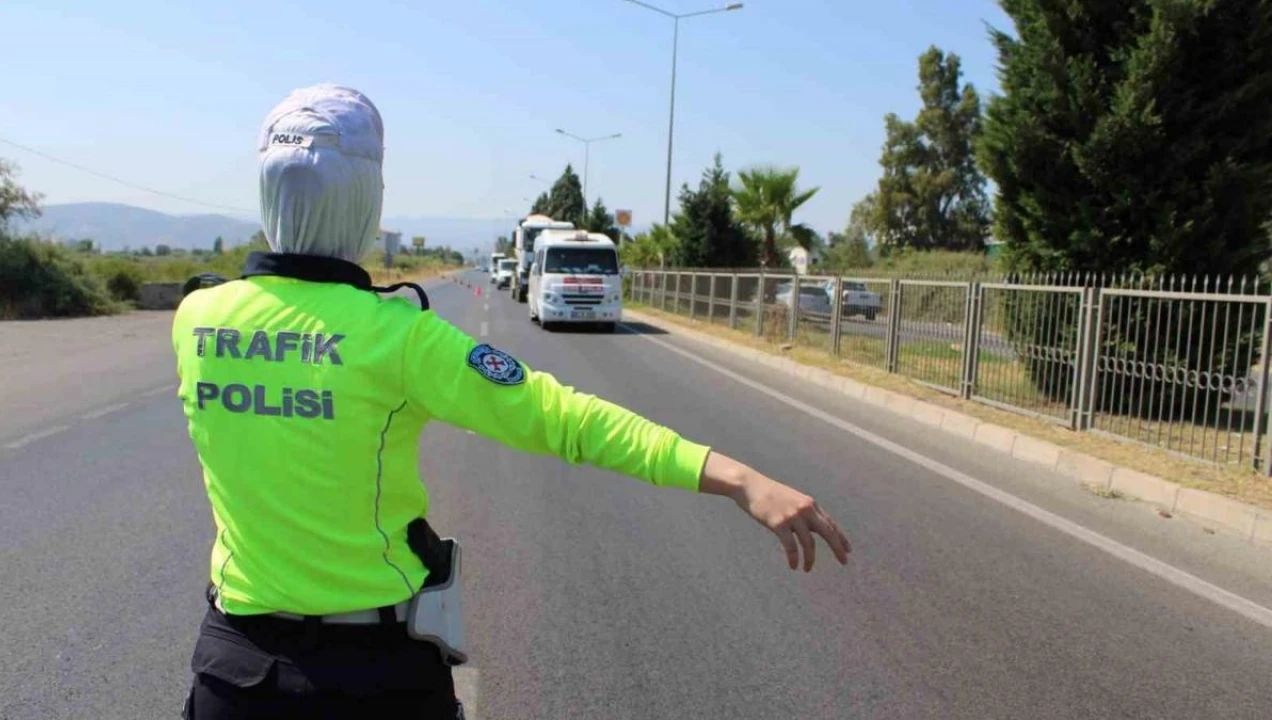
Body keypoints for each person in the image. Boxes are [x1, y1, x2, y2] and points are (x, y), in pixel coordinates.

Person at [173, 84, 851, 720]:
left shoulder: (197, 318)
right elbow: (565, 419)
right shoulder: (399, 337)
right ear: (366, 202)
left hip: (235, 671)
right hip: (373, 676)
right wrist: (738, 477)